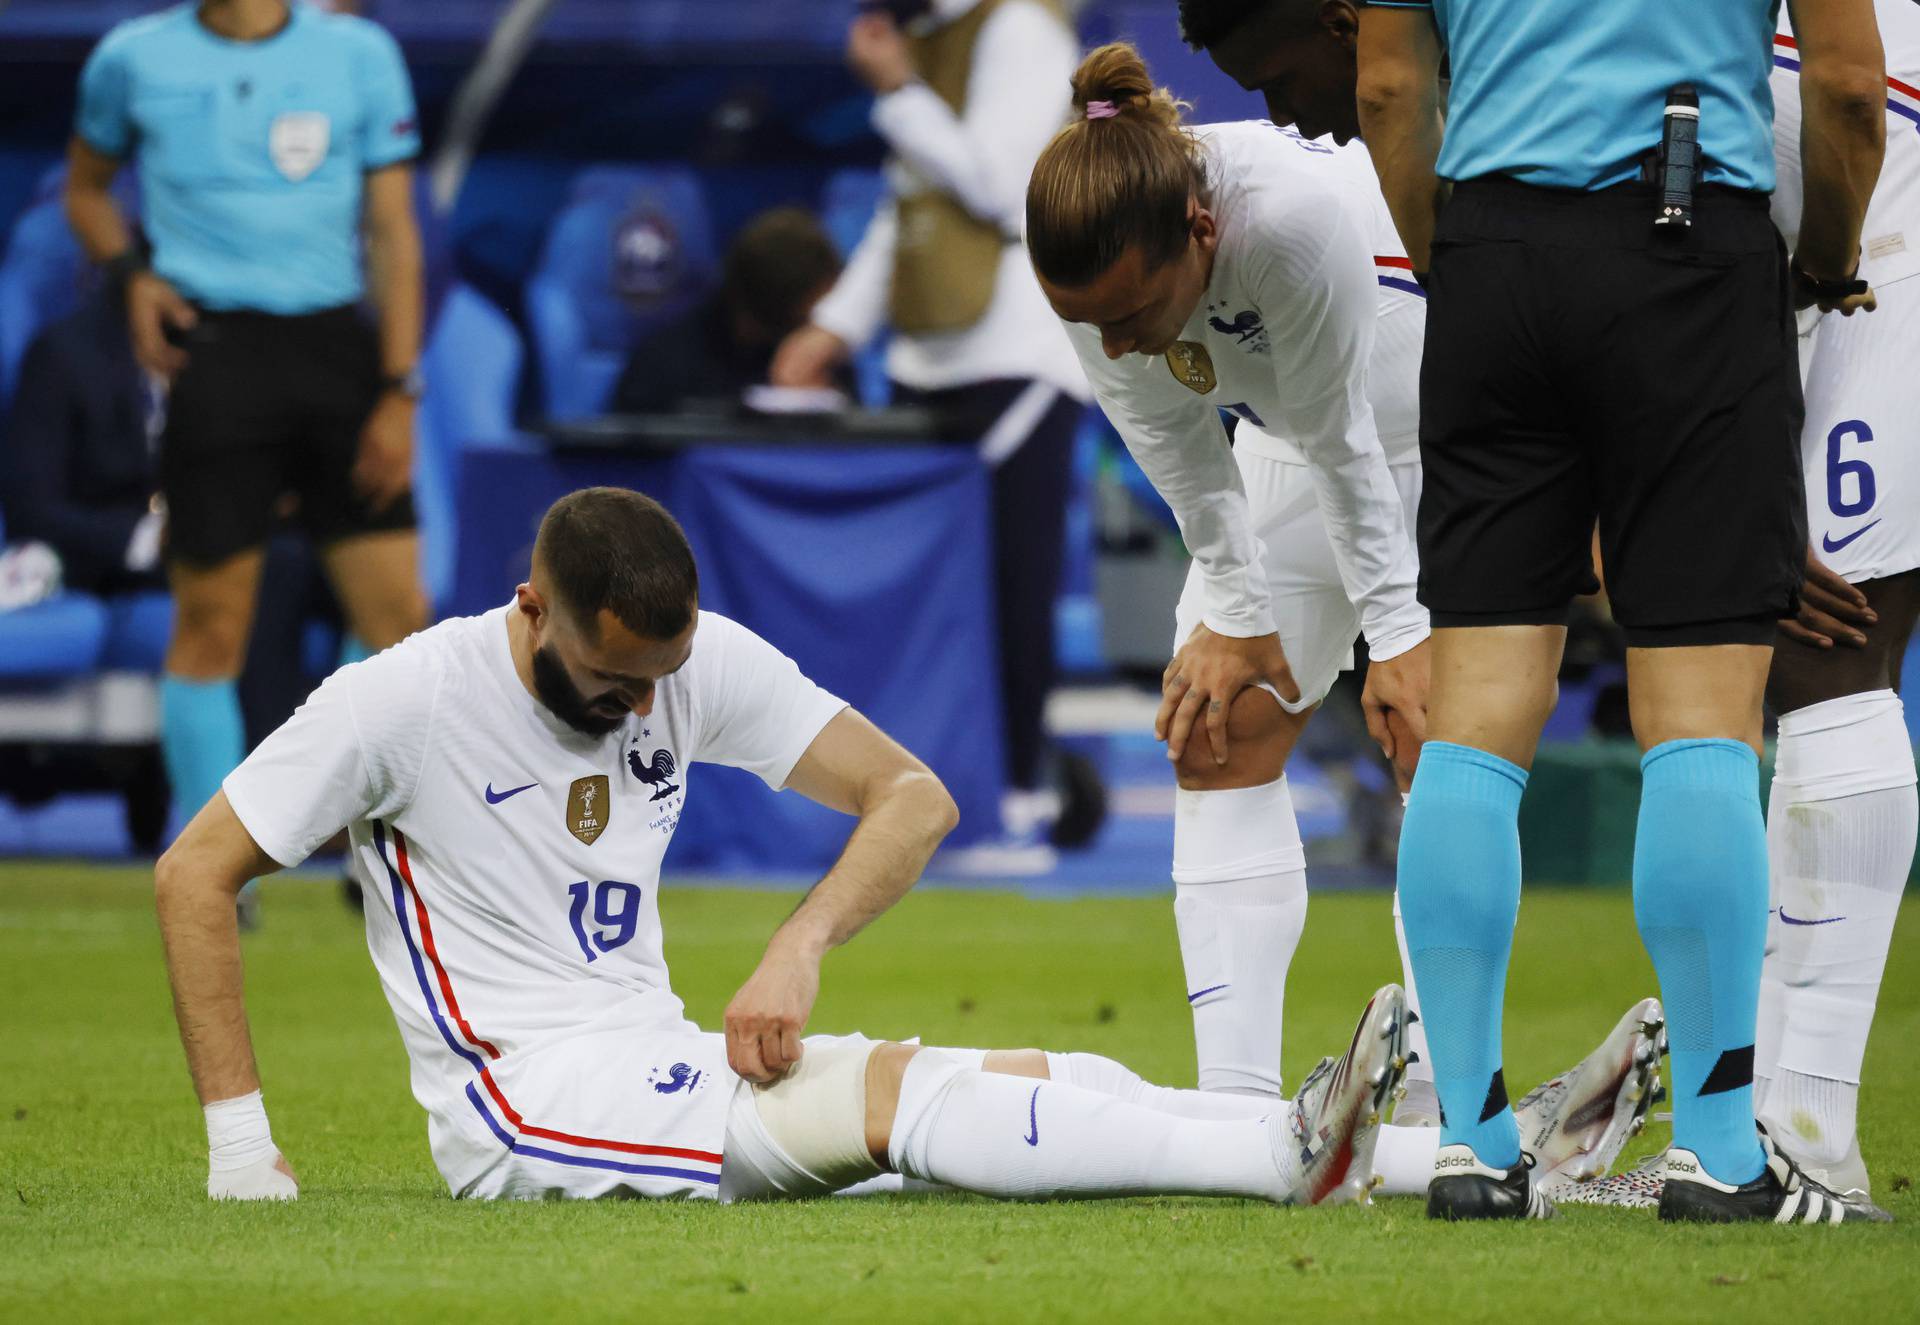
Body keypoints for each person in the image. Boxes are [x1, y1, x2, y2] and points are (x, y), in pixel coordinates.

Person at [155, 485, 1416, 1206]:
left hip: (657, 1053)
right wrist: (235, 1149)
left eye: (663, 676)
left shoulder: (682, 663)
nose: (644, 707)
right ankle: (1274, 1153)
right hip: (524, 1105)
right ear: (530, 607)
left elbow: (912, 795)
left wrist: (800, 940)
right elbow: (192, 871)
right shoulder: (402, 701)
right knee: (900, 1101)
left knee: (1058, 1073)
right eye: (608, 678)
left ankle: (1424, 1159)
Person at [1022, 41, 1663, 1198]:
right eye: (1090, 322)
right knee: (1216, 723)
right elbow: (1177, 445)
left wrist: (1399, 638)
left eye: (1129, 314)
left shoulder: (1294, 220)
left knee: (1439, 745)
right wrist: (1232, 611)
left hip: (1460, 443)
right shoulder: (1088, 253)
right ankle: (1235, 1109)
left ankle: (1439, 1095)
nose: (1114, 342)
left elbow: (1349, 449)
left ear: (1203, 238)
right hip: (1286, 449)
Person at [1353, 0, 1887, 1223]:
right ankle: (1716, 1149)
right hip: (1691, 240)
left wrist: (1463, 255)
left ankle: (1475, 1149)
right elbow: (1851, 88)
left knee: (1478, 710)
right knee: (1700, 711)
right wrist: (1825, 263)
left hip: (1490, 251)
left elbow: (1387, 89)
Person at [63, 0, 430, 840]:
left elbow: (392, 232)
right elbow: (84, 190)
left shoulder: (357, 53)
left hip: (340, 351)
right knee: (210, 627)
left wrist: (400, 389)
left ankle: (368, 835)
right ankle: (210, 864)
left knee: (399, 621)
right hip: (215, 356)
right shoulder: (131, 57)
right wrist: (131, 274)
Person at [770, 0, 1096, 857]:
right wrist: (835, 327)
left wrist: (899, 93)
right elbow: (911, 207)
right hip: (929, 361)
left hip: (1016, 356)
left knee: (1011, 594)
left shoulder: (1023, 31)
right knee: (940, 605)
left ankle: (1018, 799)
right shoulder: (929, 46)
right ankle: (932, 794)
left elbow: (997, 183)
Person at [1, 286, 164, 595]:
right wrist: (146, 539)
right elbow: (31, 511)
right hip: (102, 569)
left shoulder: (237, 351)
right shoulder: (63, 354)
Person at [611, 208, 849, 414]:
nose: (816, 328)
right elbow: (623, 461)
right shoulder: (661, 369)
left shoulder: (824, 364)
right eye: (811, 312)